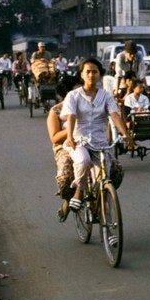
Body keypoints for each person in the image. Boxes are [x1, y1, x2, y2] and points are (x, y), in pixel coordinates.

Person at [61, 58, 132, 212]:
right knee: (83, 161)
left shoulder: (106, 96)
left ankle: (106, 222)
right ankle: (79, 190)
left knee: (103, 178)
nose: (91, 75)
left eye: (95, 72)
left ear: (100, 74)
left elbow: (114, 115)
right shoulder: (73, 96)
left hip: (100, 143)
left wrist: (125, 135)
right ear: (81, 75)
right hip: (78, 141)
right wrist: (69, 137)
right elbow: (72, 116)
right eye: (88, 72)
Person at [47, 74, 82, 222]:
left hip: (89, 142)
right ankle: (69, 201)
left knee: (113, 168)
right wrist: (72, 131)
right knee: (65, 177)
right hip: (66, 146)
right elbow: (54, 138)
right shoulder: (56, 111)